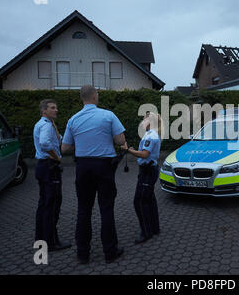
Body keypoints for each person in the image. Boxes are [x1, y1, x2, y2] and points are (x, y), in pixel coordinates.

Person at [61, 85, 126, 265]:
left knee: (84, 210)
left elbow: (64, 148)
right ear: (95, 96)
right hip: (104, 166)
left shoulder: (73, 119)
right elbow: (120, 140)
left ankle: (83, 254)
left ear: (82, 98)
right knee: (106, 209)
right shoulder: (108, 115)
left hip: (83, 166)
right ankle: (110, 251)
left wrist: (82, 145)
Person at [33, 99, 71, 252]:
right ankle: (51, 242)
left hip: (43, 167)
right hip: (49, 167)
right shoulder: (46, 126)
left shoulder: (45, 125)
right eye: (53, 108)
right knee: (52, 205)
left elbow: (60, 139)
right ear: (44, 111)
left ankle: (41, 238)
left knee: (44, 205)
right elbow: (45, 144)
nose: (56, 110)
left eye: (56, 107)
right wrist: (57, 158)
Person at [123, 112, 161, 244]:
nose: (142, 120)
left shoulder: (151, 135)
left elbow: (144, 154)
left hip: (147, 172)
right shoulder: (150, 133)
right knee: (149, 199)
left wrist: (129, 150)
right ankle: (154, 228)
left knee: (139, 201)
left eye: (144, 118)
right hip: (149, 170)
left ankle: (146, 232)